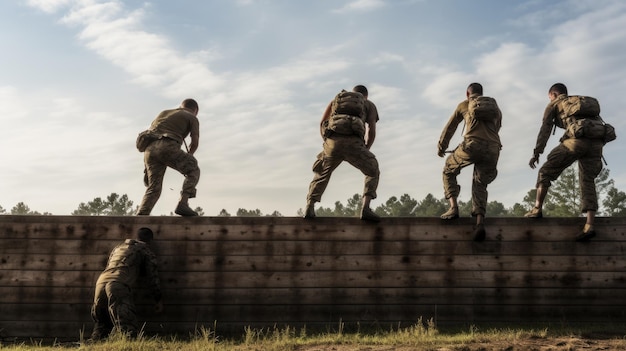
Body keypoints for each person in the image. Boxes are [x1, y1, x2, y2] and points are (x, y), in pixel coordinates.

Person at [525, 83, 605, 242]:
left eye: (549, 97)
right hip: (596, 143)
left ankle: (537, 208)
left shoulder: (554, 104)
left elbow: (545, 130)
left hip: (575, 142)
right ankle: (589, 225)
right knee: (588, 180)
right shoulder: (580, 103)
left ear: (553, 94)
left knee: (545, 171)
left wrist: (537, 152)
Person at [304, 85, 381, 222]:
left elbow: (322, 122)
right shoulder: (369, 105)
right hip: (355, 144)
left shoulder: (336, 100)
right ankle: (366, 208)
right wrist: (366, 149)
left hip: (333, 143)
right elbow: (372, 131)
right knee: (373, 170)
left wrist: (328, 142)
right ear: (365, 96)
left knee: (322, 172)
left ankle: (310, 206)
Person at [437, 83, 502, 242]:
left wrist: (442, 146)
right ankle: (479, 223)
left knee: (448, 170)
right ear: (482, 93)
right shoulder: (494, 108)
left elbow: (450, 127)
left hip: (472, 145)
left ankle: (453, 208)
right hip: (494, 147)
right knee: (480, 183)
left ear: (468, 94)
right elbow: (497, 127)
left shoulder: (464, 105)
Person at [90, 227, 162, 340]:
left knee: (101, 327)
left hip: (101, 283)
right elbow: (152, 276)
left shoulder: (118, 247)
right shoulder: (144, 250)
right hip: (118, 284)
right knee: (128, 330)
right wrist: (158, 299)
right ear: (150, 240)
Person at [137, 98, 201, 216]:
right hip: (167, 146)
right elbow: (194, 143)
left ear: (181, 106)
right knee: (194, 169)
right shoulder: (192, 117)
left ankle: (140, 217)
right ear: (195, 110)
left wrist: (147, 168)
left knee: (154, 188)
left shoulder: (164, 113)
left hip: (149, 151)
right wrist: (189, 157)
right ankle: (183, 203)